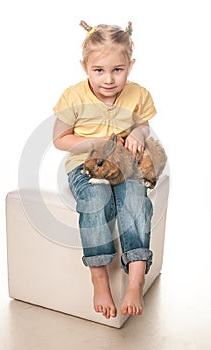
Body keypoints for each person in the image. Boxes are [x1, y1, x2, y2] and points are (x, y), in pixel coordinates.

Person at [53, 20, 156, 319]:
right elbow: (61, 140)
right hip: (86, 166)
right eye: (99, 70)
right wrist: (97, 143)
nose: (108, 79)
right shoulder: (74, 97)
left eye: (117, 70)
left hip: (123, 165)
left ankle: (136, 277)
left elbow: (142, 124)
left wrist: (138, 134)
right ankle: (99, 277)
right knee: (97, 198)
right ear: (85, 66)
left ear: (130, 65)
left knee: (136, 197)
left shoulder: (138, 94)